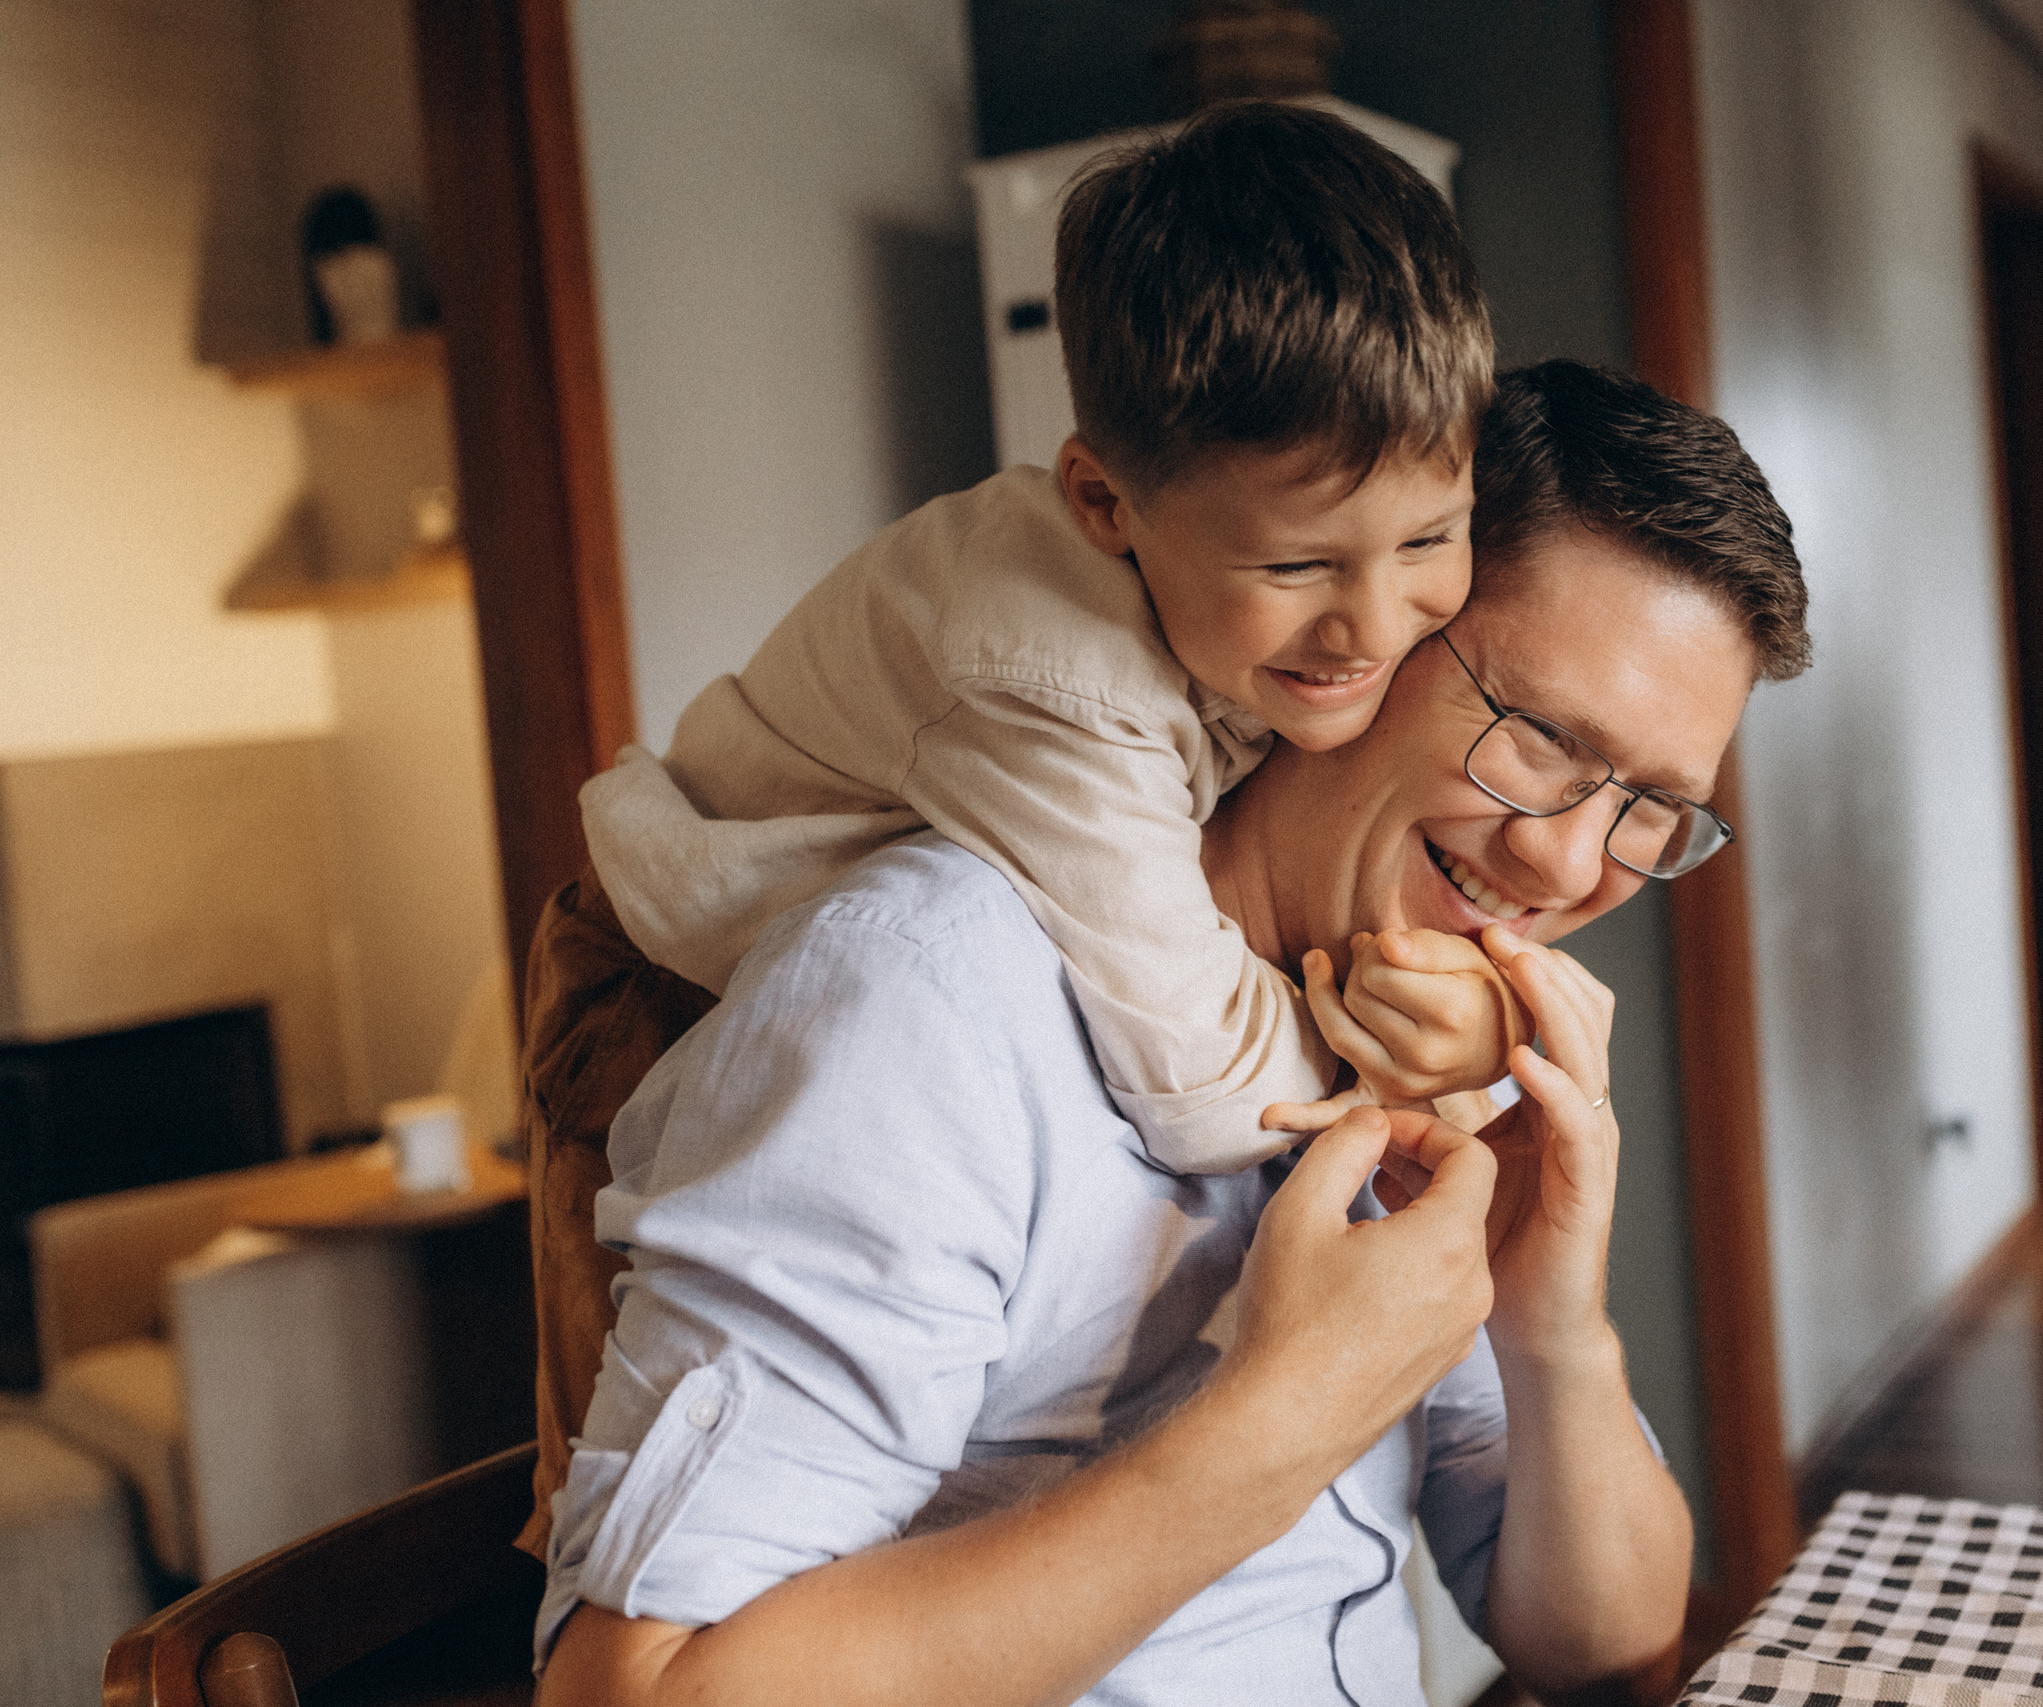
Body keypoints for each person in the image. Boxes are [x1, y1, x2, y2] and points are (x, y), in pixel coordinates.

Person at [536, 361, 1812, 1706]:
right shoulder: (921, 998)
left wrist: (1554, 1326)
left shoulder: (1427, 1048)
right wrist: (1284, 1416)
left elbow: (1612, 1655)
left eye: (1653, 806)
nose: (1567, 861)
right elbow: (634, 1691)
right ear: (1360, 643)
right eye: (1538, 733)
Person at [578, 99, 1526, 1193]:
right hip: (654, 988)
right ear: (1103, 502)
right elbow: (1211, 1090)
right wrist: (1425, 1058)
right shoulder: (1060, 683)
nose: (1375, 624)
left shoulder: (1242, 610)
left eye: (1428, 539)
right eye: (1295, 566)